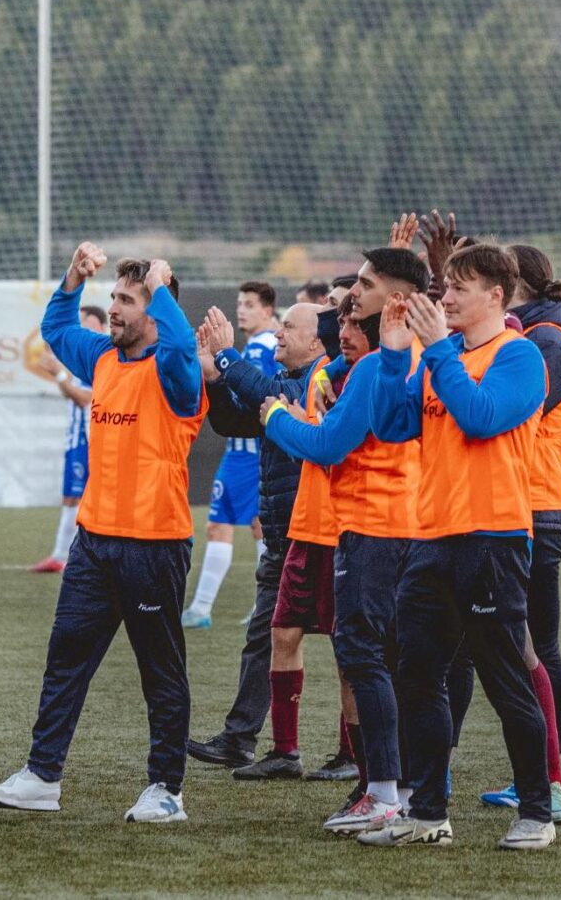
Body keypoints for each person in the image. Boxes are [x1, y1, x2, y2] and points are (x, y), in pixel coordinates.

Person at [0, 245, 205, 823]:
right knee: (65, 661)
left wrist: (159, 285)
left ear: (154, 310)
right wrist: (74, 277)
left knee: (161, 673)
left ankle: (166, 789)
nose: (114, 309)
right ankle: (42, 775)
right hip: (94, 543)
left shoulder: (177, 372)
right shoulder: (104, 357)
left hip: (154, 546)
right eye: (114, 298)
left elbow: (180, 345)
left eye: (127, 301)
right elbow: (55, 326)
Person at [362, 242, 553, 850]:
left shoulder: (520, 356)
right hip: (431, 540)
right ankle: (428, 815)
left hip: (492, 540)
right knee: (417, 676)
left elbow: (480, 417)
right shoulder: (439, 358)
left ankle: (538, 812)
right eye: (445, 286)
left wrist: (437, 346)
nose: (445, 297)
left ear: (496, 296)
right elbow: (393, 426)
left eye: (460, 288)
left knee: (503, 680)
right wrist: (395, 355)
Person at [261, 249, 430, 834]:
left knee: (367, 656)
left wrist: (275, 415)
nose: (351, 295)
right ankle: (412, 792)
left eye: (364, 285)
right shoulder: (411, 356)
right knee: (406, 663)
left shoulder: (389, 363)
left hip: (376, 528)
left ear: (398, 298)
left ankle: (384, 791)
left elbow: (329, 445)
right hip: (409, 526)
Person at [187, 302, 330, 772]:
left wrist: (226, 358)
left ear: (317, 341)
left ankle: (360, 756)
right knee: (270, 634)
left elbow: (268, 392)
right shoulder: (291, 381)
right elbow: (236, 421)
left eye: (288, 326)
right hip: (286, 530)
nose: (279, 332)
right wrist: (213, 378)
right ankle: (250, 740)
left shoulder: (321, 379)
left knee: (355, 645)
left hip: (318, 533)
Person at [463, 245, 561, 824]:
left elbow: (514, 415)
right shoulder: (538, 336)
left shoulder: (545, 344)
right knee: (504, 646)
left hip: (533, 506)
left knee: (534, 648)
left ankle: (549, 782)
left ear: (513, 286)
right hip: (525, 504)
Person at [182, 282, 278, 629]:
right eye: (239, 303)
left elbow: (261, 398)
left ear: (268, 310)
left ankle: (250, 606)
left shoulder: (264, 347)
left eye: (250, 304)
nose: (241, 310)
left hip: (251, 454)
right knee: (230, 526)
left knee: (250, 527)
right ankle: (204, 608)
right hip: (239, 453)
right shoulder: (253, 346)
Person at [31, 304, 107, 573]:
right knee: (72, 498)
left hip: (89, 437)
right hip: (77, 436)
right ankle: (63, 555)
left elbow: (88, 398)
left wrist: (59, 374)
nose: (81, 329)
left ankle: (65, 556)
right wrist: (62, 377)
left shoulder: (102, 357)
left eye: (85, 322)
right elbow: (72, 395)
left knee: (78, 499)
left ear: (99, 326)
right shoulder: (84, 357)